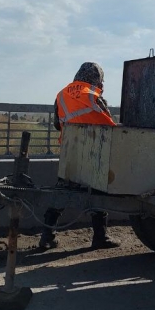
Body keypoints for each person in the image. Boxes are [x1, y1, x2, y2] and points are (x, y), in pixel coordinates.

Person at [38, 62, 120, 250]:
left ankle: (47, 236)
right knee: (99, 193)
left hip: (71, 151)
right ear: (97, 78)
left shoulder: (61, 95)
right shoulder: (94, 96)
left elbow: (58, 125)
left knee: (61, 193)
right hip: (95, 152)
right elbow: (109, 126)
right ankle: (100, 237)